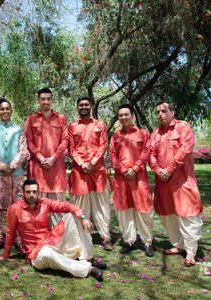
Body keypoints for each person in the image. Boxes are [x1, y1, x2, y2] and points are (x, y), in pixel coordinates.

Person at [0, 179, 105, 281]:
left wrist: (83, 217)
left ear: (38, 192)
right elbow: (10, 233)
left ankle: (88, 259)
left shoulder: (45, 203)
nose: (31, 195)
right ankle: (88, 269)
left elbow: (65, 205)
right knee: (46, 253)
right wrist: (5, 254)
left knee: (73, 217)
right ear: (23, 192)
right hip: (37, 254)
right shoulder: (14, 209)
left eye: (34, 192)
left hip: (52, 243)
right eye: (28, 192)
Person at [150, 101, 203, 267]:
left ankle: (191, 252)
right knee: (167, 216)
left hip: (182, 181)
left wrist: (170, 169)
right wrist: (159, 171)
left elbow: (186, 149)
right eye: (158, 111)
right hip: (163, 182)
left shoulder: (183, 127)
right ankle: (179, 245)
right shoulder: (155, 132)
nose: (160, 114)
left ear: (172, 112)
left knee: (188, 215)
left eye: (164, 111)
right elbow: (151, 154)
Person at [68, 96, 113, 250]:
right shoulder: (72, 126)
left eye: (86, 104)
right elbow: (71, 148)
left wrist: (91, 163)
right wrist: (82, 164)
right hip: (79, 171)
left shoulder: (100, 124)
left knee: (101, 205)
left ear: (91, 106)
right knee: (80, 204)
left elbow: (103, 145)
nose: (83, 107)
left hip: (97, 170)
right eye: (80, 105)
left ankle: (105, 236)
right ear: (77, 107)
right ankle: (81, 235)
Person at [109, 104, 154, 256]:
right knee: (124, 211)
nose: (123, 118)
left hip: (139, 178)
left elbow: (146, 152)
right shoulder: (115, 137)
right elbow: (112, 156)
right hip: (121, 180)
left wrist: (134, 169)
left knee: (143, 210)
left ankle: (147, 242)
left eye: (126, 114)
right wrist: (123, 170)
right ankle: (129, 241)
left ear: (133, 116)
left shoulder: (143, 134)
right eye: (120, 115)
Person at [0, 98, 28, 253]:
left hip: (15, 174)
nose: (5, 111)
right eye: (2, 109)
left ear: (11, 111)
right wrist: (1, 166)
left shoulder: (18, 130)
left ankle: (17, 238)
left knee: (16, 206)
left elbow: (23, 151)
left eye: (7, 109)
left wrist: (12, 166)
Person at [24, 88, 68, 222]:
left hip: (56, 169)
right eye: (43, 99)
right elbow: (28, 140)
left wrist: (53, 157)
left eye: (48, 99)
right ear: (38, 100)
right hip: (39, 169)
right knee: (38, 202)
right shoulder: (31, 119)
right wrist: (41, 158)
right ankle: (40, 233)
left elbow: (65, 140)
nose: (46, 102)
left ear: (52, 100)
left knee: (58, 204)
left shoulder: (61, 119)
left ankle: (59, 234)